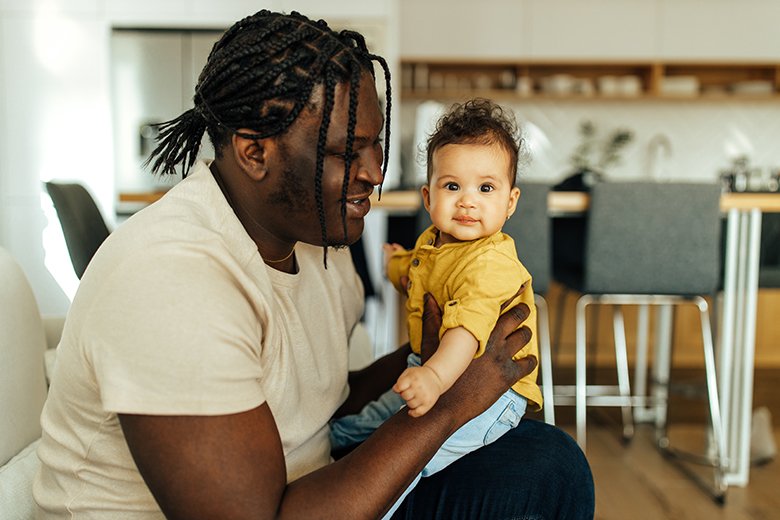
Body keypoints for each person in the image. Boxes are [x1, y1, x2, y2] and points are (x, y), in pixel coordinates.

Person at [34, 10, 594, 519]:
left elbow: (314, 398)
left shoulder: (315, 238)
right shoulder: (173, 280)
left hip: (311, 479)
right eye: (346, 151)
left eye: (376, 146)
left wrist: (449, 343)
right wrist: (454, 400)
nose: (375, 173)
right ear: (256, 152)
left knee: (546, 462)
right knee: (546, 475)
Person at [330, 99, 541, 517]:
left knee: (409, 460)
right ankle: (331, 450)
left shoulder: (491, 262)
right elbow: (417, 273)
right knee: (367, 425)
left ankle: (376, 509)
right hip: (434, 369)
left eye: (486, 188)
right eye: (452, 186)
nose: (467, 202)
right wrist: (395, 264)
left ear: (511, 201)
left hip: (490, 393)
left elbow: (466, 334)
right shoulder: (434, 242)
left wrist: (432, 377)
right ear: (428, 196)